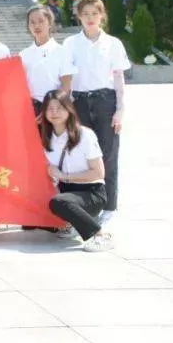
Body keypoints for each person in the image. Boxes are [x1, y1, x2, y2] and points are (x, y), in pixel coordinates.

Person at [64, 0, 130, 226]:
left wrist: (120, 110)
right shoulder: (70, 43)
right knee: (81, 156)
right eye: (85, 14)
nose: (90, 18)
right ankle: (87, 205)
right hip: (80, 103)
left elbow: (119, 78)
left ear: (102, 15)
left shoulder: (113, 43)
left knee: (109, 154)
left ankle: (110, 206)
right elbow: (67, 78)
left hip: (105, 102)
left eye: (94, 13)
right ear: (79, 16)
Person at [39, 92, 114, 252]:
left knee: (59, 202)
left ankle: (100, 235)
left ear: (69, 109)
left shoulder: (84, 134)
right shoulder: (46, 138)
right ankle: (72, 223)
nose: (54, 113)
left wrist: (64, 176)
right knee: (36, 208)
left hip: (91, 193)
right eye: (50, 109)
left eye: (59, 108)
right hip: (65, 191)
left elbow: (98, 173)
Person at [19, 5, 76, 118]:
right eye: (32, 22)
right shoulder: (23, 54)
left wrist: (54, 107)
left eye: (41, 21)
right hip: (30, 109)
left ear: (49, 23)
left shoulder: (62, 51)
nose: (36, 26)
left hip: (55, 107)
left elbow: (66, 84)